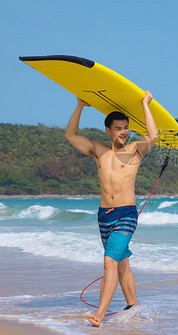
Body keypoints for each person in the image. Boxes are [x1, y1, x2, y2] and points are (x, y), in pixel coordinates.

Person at [64, 91, 158, 327]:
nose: (124, 132)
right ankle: (133, 308)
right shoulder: (99, 151)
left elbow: (153, 134)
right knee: (122, 262)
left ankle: (101, 313)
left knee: (109, 262)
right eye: (118, 128)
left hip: (126, 214)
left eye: (126, 127)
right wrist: (80, 106)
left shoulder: (135, 150)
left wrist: (145, 104)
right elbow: (70, 135)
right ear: (108, 130)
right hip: (104, 216)